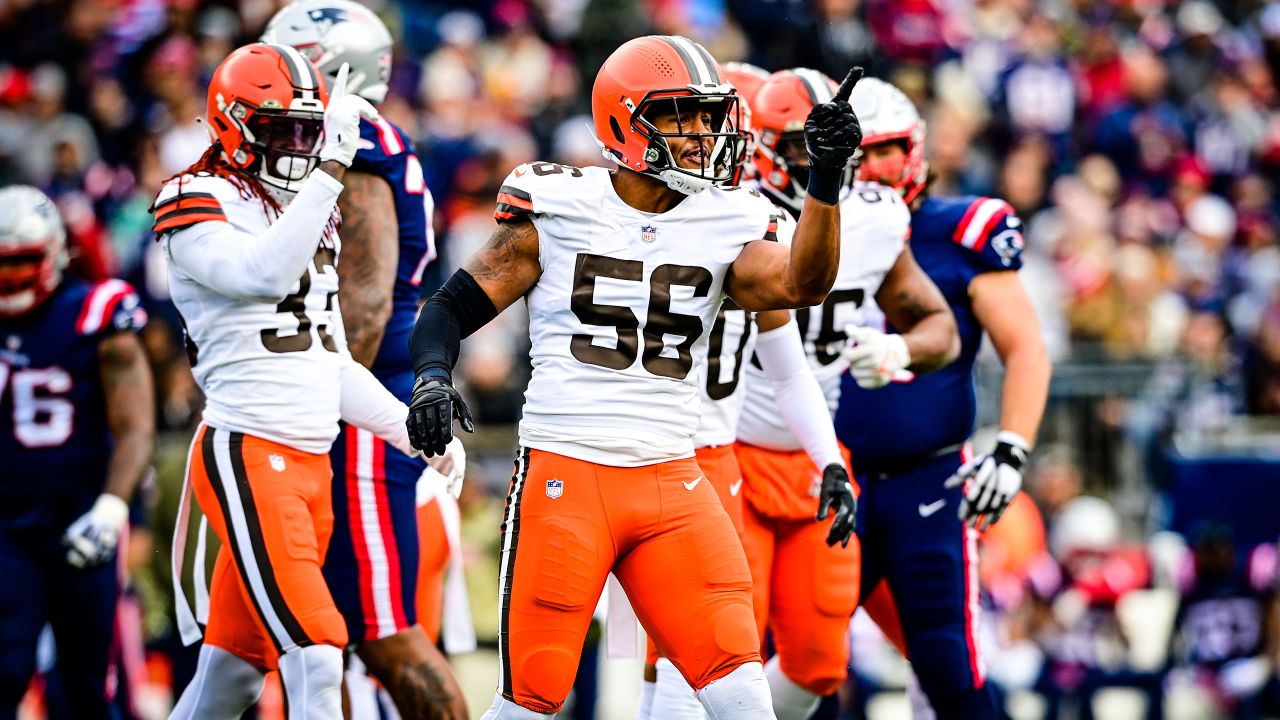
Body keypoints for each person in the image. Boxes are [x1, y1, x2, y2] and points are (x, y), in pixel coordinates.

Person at [406, 35, 864, 719]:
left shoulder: (728, 218)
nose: (705, 134)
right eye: (684, 116)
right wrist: (433, 378)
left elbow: (804, 282)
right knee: (532, 700)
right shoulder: (561, 208)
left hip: (674, 482)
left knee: (743, 695)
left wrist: (824, 179)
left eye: (711, 118)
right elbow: (448, 308)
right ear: (627, 120)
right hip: (568, 474)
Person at [155, 43, 432, 719]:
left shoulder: (309, 213)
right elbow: (260, 275)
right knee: (318, 646)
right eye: (281, 128)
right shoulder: (194, 195)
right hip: (250, 451)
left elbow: (327, 359)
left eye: (310, 130)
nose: (299, 145)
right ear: (234, 123)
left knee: (230, 678)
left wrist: (411, 432)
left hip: (313, 464)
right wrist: (331, 168)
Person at [260, 3, 469, 716]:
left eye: (291, 58)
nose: (274, 77)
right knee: (321, 640)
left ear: (335, 64)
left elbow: (366, 304)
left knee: (384, 637)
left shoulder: (358, 142)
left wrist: (312, 391)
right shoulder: (341, 136)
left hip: (360, 409)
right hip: (344, 400)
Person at [735, 67, 959, 720]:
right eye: (796, 147)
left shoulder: (876, 218)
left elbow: (937, 326)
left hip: (816, 463)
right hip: (724, 447)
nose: (813, 161)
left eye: (822, 146)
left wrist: (899, 348)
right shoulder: (728, 214)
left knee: (817, 665)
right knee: (718, 654)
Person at [637, 62, 858, 720]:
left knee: (705, 652)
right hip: (621, 450)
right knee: (557, 661)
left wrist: (828, 463)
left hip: (711, 454)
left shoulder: (749, 223)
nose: (712, 146)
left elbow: (790, 367)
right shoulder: (612, 215)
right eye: (696, 128)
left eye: (719, 130)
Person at [835, 76, 1052, 717]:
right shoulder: (809, 232)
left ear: (918, 149)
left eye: (887, 149)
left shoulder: (961, 230)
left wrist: (1011, 450)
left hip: (927, 480)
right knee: (800, 664)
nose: (873, 169)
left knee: (949, 667)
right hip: (827, 481)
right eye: (858, 153)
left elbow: (1026, 349)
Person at [0, 186, 154, 720]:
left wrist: (110, 511)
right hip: (5, 525)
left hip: (79, 515)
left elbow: (135, 427)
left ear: (56, 252)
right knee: (6, 667)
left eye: (21, 262)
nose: (10, 279)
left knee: (84, 689)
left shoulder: (95, 310)